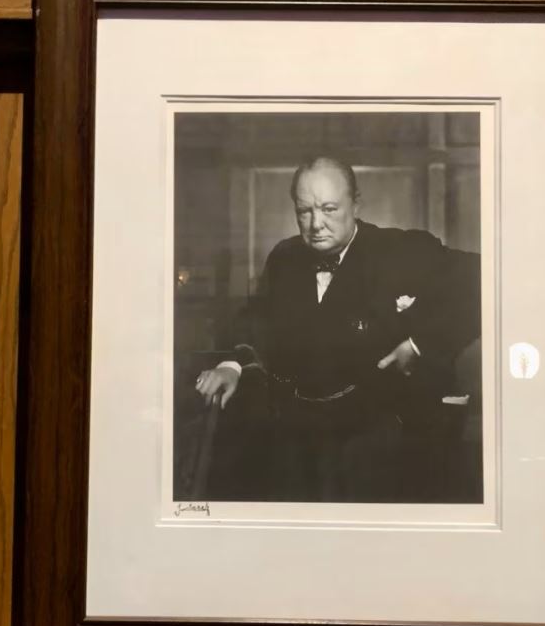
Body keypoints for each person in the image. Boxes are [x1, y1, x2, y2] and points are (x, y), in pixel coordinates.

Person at [193, 156, 480, 503]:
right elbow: (256, 318)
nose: (316, 224)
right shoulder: (285, 256)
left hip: (381, 439)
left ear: (356, 203)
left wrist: (419, 343)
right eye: (305, 211)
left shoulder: (401, 249)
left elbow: (480, 279)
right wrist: (232, 365)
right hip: (297, 435)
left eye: (329, 209)